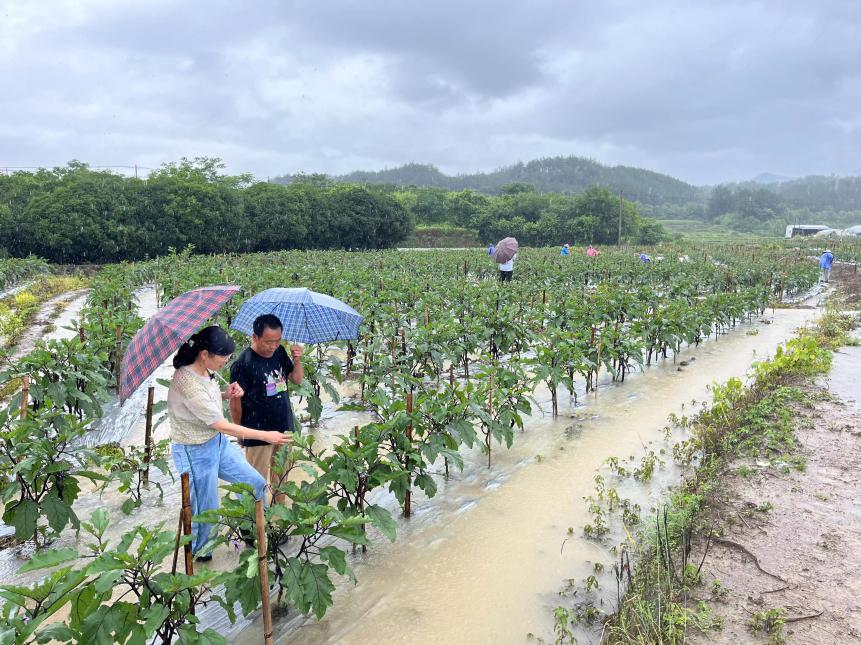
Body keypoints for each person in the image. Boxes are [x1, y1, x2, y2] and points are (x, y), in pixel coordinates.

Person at [168, 326, 290, 561]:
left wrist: (226, 394)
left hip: (217, 444)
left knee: (253, 483)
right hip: (194, 451)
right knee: (207, 511)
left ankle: (252, 532)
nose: (226, 361)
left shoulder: (205, 372)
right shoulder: (187, 382)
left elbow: (210, 403)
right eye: (223, 357)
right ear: (205, 354)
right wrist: (267, 435)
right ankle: (201, 558)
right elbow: (221, 423)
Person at [229, 314, 303, 504]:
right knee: (255, 482)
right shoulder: (242, 364)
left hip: (283, 425)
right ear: (254, 337)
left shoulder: (279, 352)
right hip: (257, 432)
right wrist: (239, 432)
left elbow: (296, 379)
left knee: (282, 480)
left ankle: (280, 522)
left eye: (277, 341)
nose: (273, 346)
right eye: (268, 342)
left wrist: (297, 360)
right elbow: (235, 403)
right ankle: (258, 526)